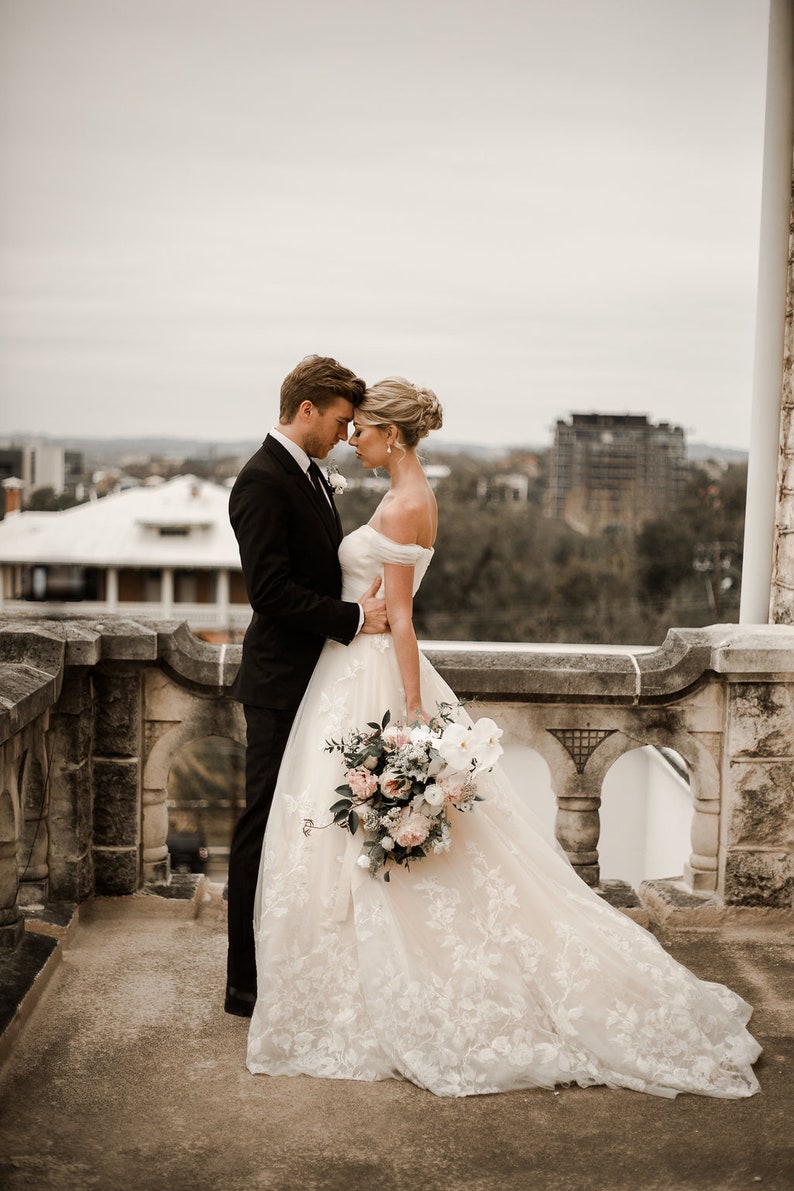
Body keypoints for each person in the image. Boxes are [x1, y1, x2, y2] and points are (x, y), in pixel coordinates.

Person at [245, 376, 761, 1098]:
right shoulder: (412, 495)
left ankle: (366, 976)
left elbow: (401, 618)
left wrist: (414, 716)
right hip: (352, 667)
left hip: (371, 673)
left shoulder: (401, 504)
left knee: (353, 830)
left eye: (361, 429)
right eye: (348, 426)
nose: (352, 437)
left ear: (392, 435)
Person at [224, 355, 389, 1017]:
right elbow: (269, 593)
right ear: (307, 410)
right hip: (278, 683)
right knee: (258, 827)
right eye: (342, 420)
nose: (346, 435)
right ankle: (244, 984)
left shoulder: (311, 476)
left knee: (304, 827)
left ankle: (291, 962)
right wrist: (353, 617)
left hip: (316, 681)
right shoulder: (261, 481)